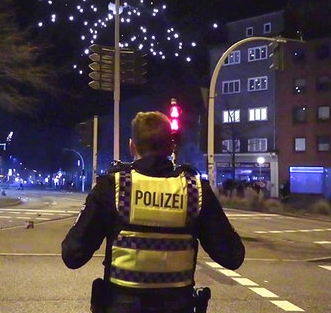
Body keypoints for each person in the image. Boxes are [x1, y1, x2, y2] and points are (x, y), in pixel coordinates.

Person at [62, 111, 245, 313]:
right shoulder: (196, 191)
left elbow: (72, 255)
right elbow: (232, 256)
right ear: (171, 147)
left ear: (132, 146)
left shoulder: (113, 187)